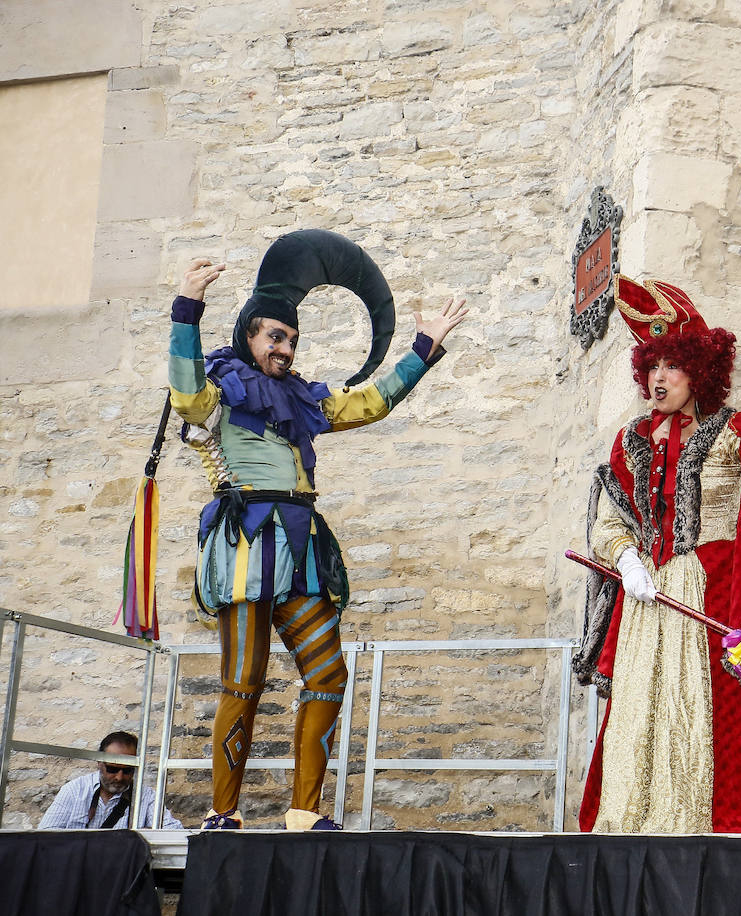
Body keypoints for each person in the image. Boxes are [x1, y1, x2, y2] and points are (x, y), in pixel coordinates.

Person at [168, 229, 468, 830]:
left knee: (327, 672)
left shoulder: (303, 400)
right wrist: (186, 309)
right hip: (249, 544)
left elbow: (370, 403)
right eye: (275, 337)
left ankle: (304, 812)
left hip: (299, 548)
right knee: (243, 679)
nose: (285, 348)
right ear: (248, 338)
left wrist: (423, 347)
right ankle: (222, 813)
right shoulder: (218, 392)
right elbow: (183, 392)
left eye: (292, 339)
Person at [573, 275, 741, 833]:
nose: (659, 377)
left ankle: (703, 826)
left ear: (699, 372)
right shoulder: (630, 440)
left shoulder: (734, 431)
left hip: (712, 599)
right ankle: (631, 823)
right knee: (638, 715)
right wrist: (625, 557)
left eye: (672, 365)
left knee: (713, 716)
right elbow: (608, 520)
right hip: (647, 602)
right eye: (652, 366)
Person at [39, 731, 182, 829]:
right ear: (99, 763)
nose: (119, 777)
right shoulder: (75, 790)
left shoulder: (146, 797)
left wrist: (143, 836)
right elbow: (46, 836)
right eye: (112, 769)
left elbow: (173, 832)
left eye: (127, 770)